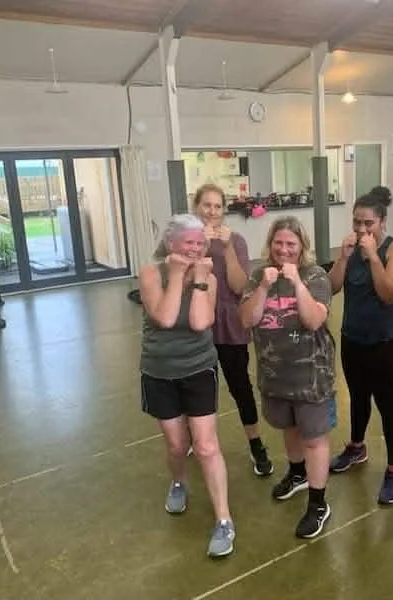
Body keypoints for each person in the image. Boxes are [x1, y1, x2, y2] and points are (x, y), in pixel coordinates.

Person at [138, 214, 235, 558]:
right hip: (159, 370)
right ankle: (178, 481)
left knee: (207, 446)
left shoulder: (208, 276)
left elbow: (199, 321)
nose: (195, 248)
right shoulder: (151, 273)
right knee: (178, 446)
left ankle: (224, 520)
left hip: (198, 368)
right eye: (188, 243)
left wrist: (199, 277)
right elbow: (164, 317)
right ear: (171, 244)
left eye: (199, 243)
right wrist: (178, 274)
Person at [238, 216, 336, 539]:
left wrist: (296, 284)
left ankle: (318, 503)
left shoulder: (315, 275)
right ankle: (297, 474)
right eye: (278, 243)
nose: (283, 250)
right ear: (270, 244)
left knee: (313, 438)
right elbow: (246, 319)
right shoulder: (257, 276)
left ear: (301, 247)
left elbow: (313, 320)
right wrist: (266, 285)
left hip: (311, 376)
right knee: (289, 428)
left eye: (290, 244)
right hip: (274, 375)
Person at [327, 186, 393, 504]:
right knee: (358, 397)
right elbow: (332, 288)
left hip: (385, 341)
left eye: (368, 223)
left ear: (383, 222)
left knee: (387, 403)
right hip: (353, 337)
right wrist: (343, 256)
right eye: (357, 222)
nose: (362, 229)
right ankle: (357, 446)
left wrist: (373, 255)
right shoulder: (350, 250)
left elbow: (389, 293)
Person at [191, 184, 273, 476]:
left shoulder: (235, 241)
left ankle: (256, 444)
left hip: (229, 324)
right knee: (197, 386)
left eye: (217, 206)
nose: (212, 211)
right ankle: (196, 438)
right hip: (196, 323)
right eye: (206, 205)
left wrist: (225, 248)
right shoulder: (186, 240)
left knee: (240, 386)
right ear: (196, 207)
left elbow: (239, 286)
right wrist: (197, 244)